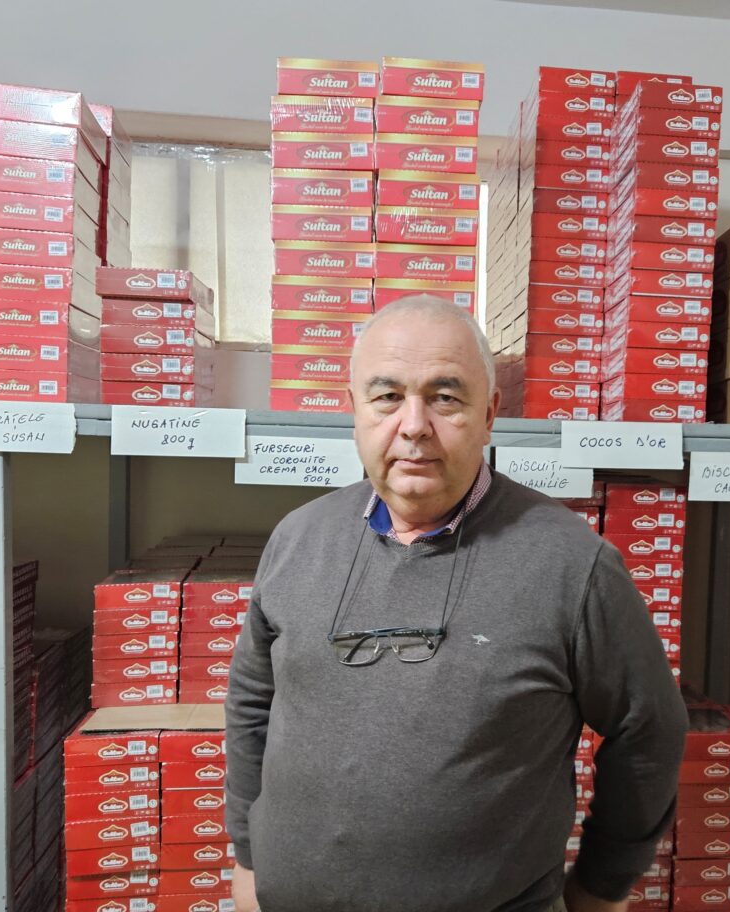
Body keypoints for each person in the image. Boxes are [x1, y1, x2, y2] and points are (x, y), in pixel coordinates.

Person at [226, 295, 686, 912]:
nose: (414, 425)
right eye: (388, 396)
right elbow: (252, 703)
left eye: (445, 397)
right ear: (354, 408)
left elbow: (648, 729)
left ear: (489, 413)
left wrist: (603, 886)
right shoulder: (297, 538)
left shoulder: (573, 564)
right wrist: (248, 855)